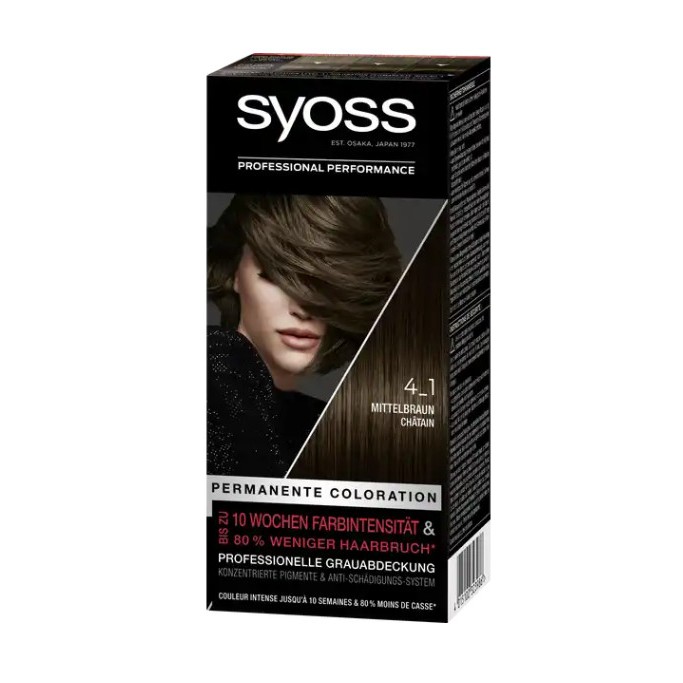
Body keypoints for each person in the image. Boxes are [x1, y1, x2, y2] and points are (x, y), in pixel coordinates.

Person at [207, 194, 401, 477]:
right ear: (234, 273)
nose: (302, 309)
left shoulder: (322, 424)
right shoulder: (217, 362)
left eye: (324, 284)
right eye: (276, 276)